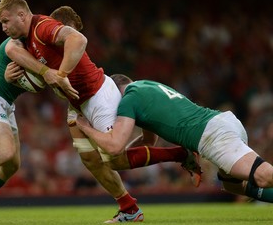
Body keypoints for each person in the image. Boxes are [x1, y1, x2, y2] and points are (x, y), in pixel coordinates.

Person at [0, 5, 197, 225]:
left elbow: (61, 60)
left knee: (108, 157)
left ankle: (176, 156)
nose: (3, 27)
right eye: (1, 22)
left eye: (4, 21)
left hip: (92, 97)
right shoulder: (27, 43)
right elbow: (17, 55)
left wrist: (54, 76)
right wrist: (27, 77)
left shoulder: (46, 39)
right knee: (22, 155)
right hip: (9, 100)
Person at [76, 74, 273, 203]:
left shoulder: (128, 100)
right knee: (233, 184)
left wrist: (86, 128)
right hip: (223, 122)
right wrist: (126, 153)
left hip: (211, 135)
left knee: (264, 176)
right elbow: (148, 142)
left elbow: (113, 146)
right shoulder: (145, 86)